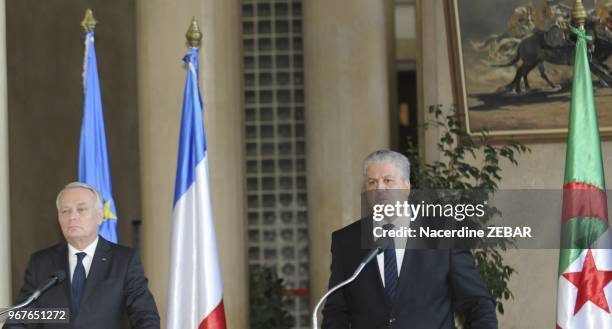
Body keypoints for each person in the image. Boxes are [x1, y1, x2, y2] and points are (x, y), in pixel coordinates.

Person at [321, 150, 498, 329]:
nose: (379, 189)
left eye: (388, 181)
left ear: (406, 187)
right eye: (372, 182)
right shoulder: (346, 240)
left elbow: (478, 304)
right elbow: (336, 311)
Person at [3, 182, 159, 329]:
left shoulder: (124, 261)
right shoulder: (41, 263)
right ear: (59, 219)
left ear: (100, 216)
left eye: (81, 209)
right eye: (65, 211)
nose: (72, 217)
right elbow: (21, 319)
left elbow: (145, 317)